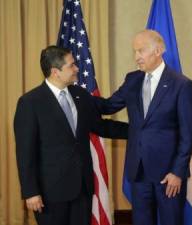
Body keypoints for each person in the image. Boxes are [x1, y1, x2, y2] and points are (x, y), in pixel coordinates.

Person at [14, 45, 128, 225]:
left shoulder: (79, 94)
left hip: (82, 188)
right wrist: (30, 192)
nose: (77, 69)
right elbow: (25, 153)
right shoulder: (30, 103)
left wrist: (139, 131)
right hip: (50, 193)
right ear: (55, 72)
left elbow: (101, 126)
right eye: (71, 65)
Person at [94, 29, 192, 225]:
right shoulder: (133, 79)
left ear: (158, 51)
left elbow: (187, 134)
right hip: (138, 171)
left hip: (169, 175)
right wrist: (78, 97)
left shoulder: (181, 84)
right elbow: (108, 106)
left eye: (140, 51)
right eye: (135, 51)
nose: (136, 57)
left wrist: (177, 172)